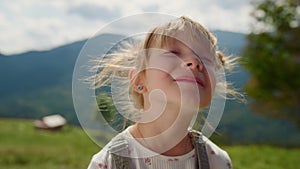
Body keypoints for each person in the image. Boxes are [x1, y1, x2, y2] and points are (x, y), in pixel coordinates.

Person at [88, 16, 235, 169]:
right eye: (174, 53)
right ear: (139, 82)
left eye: (205, 59)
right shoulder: (108, 163)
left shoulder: (218, 162)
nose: (195, 62)